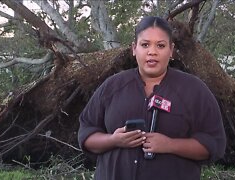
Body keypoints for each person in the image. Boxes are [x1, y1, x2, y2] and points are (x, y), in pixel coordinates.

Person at [78, 16, 226, 180]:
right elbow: (86, 135)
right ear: (134, 48)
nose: (152, 52)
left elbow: (214, 144)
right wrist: (113, 140)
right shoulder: (112, 87)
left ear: (171, 50)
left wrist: (170, 145)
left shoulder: (194, 90)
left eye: (160, 45)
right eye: (145, 44)